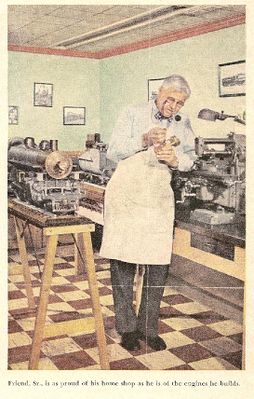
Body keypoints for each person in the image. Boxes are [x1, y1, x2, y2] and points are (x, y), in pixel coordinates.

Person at [100, 74, 196, 352]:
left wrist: (176, 160)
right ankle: (127, 328)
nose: (173, 107)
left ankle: (148, 327)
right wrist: (143, 139)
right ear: (158, 92)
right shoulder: (131, 113)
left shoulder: (184, 122)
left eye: (180, 103)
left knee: (157, 265)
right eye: (170, 99)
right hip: (127, 195)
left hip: (156, 197)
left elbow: (190, 159)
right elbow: (113, 153)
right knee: (123, 262)